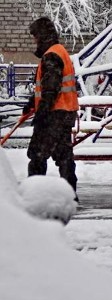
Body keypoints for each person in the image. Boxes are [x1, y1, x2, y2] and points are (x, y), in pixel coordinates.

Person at [23, 17, 79, 196]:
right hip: (65, 112)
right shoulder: (59, 51)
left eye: (35, 36)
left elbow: (51, 89)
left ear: (42, 36)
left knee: (38, 153)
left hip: (54, 114)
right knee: (64, 156)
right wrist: (33, 102)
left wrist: (42, 113)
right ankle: (70, 194)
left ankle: (34, 194)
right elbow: (50, 85)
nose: (34, 40)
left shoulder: (52, 56)